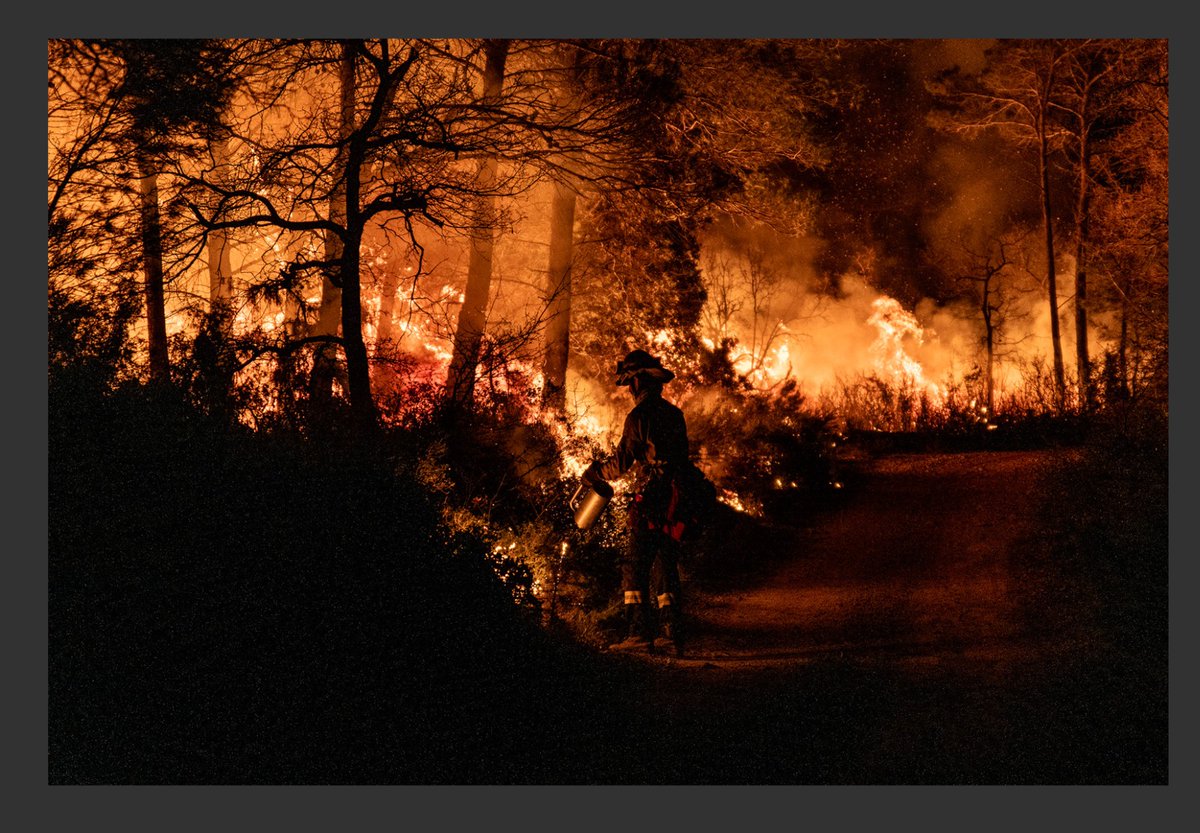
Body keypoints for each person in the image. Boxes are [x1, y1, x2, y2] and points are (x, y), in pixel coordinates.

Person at [582, 348, 692, 657]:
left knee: (635, 564)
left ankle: (638, 634)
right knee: (666, 562)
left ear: (636, 383)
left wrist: (593, 473)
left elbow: (621, 463)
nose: (628, 389)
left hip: (653, 497)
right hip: (677, 497)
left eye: (629, 383)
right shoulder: (675, 414)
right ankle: (672, 634)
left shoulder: (639, 417)